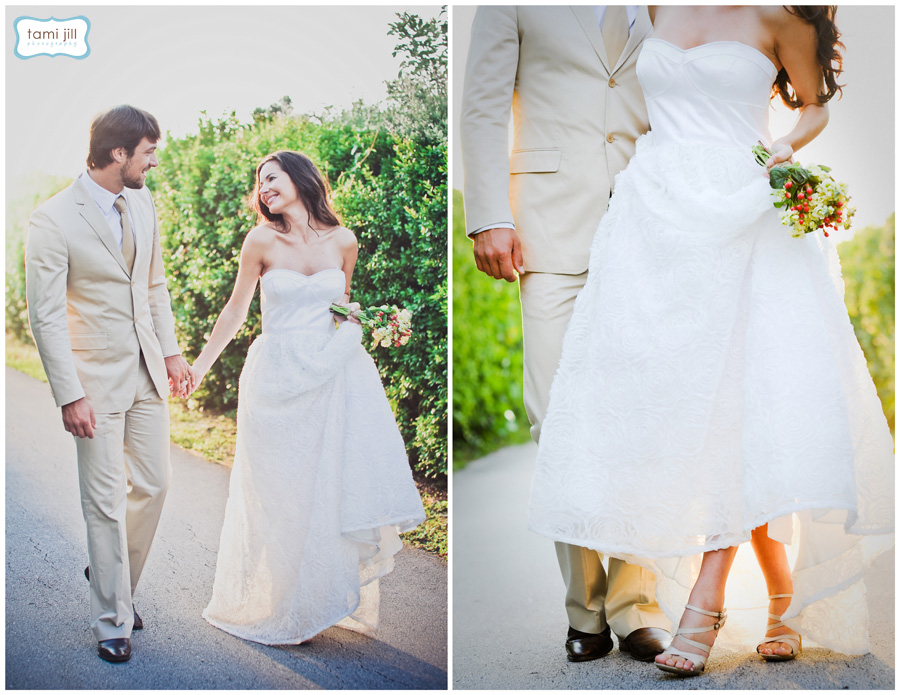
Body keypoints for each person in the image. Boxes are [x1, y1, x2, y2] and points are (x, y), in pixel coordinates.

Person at [529, 5, 894, 678]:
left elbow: (814, 107)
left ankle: (706, 599)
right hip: (655, 220)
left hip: (743, 210)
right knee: (668, 409)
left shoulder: (780, 16)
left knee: (737, 403)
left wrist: (787, 146)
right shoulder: (657, 6)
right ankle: (782, 596)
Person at [461, 6, 671, 662]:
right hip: (549, 229)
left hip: (651, 226)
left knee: (642, 418)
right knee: (556, 418)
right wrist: (488, 213)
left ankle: (637, 603)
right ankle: (585, 607)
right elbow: (483, 105)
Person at [189, 151, 425, 645]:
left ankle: (316, 599)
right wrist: (198, 369)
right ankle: (279, 605)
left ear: (299, 178)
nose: (264, 187)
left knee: (327, 486)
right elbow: (235, 313)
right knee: (280, 493)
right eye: (259, 182)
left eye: (272, 177)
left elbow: (340, 309)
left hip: (333, 378)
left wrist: (373, 322)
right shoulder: (260, 240)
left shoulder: (344, 240)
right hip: (277, 380)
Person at [25, 105, 193, 663]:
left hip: (146, 372)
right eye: (148, 152)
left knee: (154, 485)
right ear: (118, 153)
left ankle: (110, 574)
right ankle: (112, 618)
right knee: (104, 503)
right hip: (91, 381)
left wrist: (170, 353)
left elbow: (156, 285)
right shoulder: (51, 220)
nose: (154, 162)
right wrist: (69, 392)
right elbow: (45, 316)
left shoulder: (142, 202)